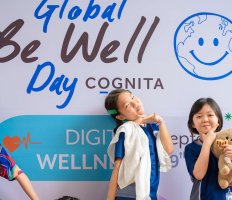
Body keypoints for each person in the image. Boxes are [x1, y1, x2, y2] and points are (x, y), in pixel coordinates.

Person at [105, 89, 174, 200]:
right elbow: (117, 167)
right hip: (130, 195)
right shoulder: (125, 131)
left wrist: (160, 122)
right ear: (121, 116)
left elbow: (169, 149)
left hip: (150, 193)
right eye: (128, 105)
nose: (135, 103)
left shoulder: (152, 126)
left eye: (133, 97)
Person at [184, 97, 232, 200]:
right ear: (192, 123)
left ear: (218, 119)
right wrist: (207, 142)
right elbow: (198, 175)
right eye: (199, 116)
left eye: (210, 115)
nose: (205, 119)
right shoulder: (191, 148)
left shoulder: (229, 143)